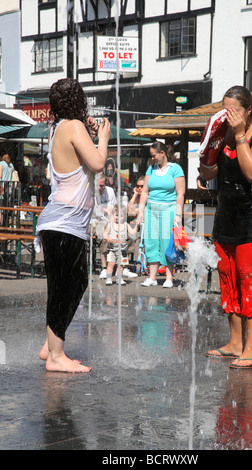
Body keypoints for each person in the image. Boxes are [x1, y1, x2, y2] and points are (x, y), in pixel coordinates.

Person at [200, 85, 252, 369]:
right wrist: (209, 146)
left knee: (251, 282)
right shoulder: (225, 136)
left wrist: (239, 134)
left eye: (234, 111)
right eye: (225, 110)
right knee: (229, 281)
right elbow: (207, 174)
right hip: (227, 218)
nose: (229, 116)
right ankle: (235, 343)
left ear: (248, 110)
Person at [35, 78, 110, 373]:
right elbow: (97, 162)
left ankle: (51, 345)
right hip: (64, 221)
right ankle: (55, 357)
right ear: (79, 100)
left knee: (73, 283)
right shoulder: (73, 127)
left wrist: (88, 132)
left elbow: (81, 158)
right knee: (65, 286)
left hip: (63, 221)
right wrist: (102, 136)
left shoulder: (60, 128)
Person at [137, 141, 185, 288]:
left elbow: (180, 194)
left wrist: (178, 214)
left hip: (168, 209)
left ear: (162, 153)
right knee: (151, 242)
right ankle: (152, 277)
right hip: (151, 209)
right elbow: (145, 191)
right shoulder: (151, 169)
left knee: (166, 242)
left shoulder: (175, 169)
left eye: (154, 155)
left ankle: (169, 278)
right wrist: (140, 210)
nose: (152, 158)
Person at [104, 205, 139, 285]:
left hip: (122, 250)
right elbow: (105, 234)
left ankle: (119, 278)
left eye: (121, 216)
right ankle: (108, 278)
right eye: (116, 215)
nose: (118, 218)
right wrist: (108, 238)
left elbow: (132, 233)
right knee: (111, 263)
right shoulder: (110, 224)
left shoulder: (126, 225)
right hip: (112, 249)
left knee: (121, 265)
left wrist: (136, 226)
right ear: (113, 215)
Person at [93, 173, 117, 279]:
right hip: (94, 221)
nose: (99, 188)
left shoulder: (110, 192)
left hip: (108, 220)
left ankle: (122, 267)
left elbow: (113, 209)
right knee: (103, 236)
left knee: (123, 233)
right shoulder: (91, 192)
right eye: (98, 185)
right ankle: (104, 268)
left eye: (102, 186)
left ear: (106, 184)